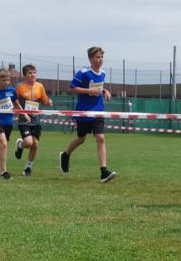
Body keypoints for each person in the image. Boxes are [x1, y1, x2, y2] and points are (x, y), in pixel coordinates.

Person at [59, 46, 116, 183]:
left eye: (102, 57)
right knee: (81, 139)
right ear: (90, 59)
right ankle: (65, 155)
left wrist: (105, 91)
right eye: (97, 57)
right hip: (84, 112)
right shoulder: (83, 73)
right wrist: (89, 91)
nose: (100, 59)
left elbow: (98, 87)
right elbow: (72, 88)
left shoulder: (103, 73)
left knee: (100, 138)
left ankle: (104, 172)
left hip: (98, 111)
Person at [14, 64, 53, 175]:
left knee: (35, 144)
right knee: (28, 142)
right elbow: (15, 102)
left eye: (34, 72)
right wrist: (22, 113)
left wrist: (49, 102)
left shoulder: (40, 86)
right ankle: (20, 145)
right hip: (24, 119)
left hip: (36, 120)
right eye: (29, 73)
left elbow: (44, 100)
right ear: (24, 75)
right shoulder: (19, 87)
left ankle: (28, 168)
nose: (32, 75)